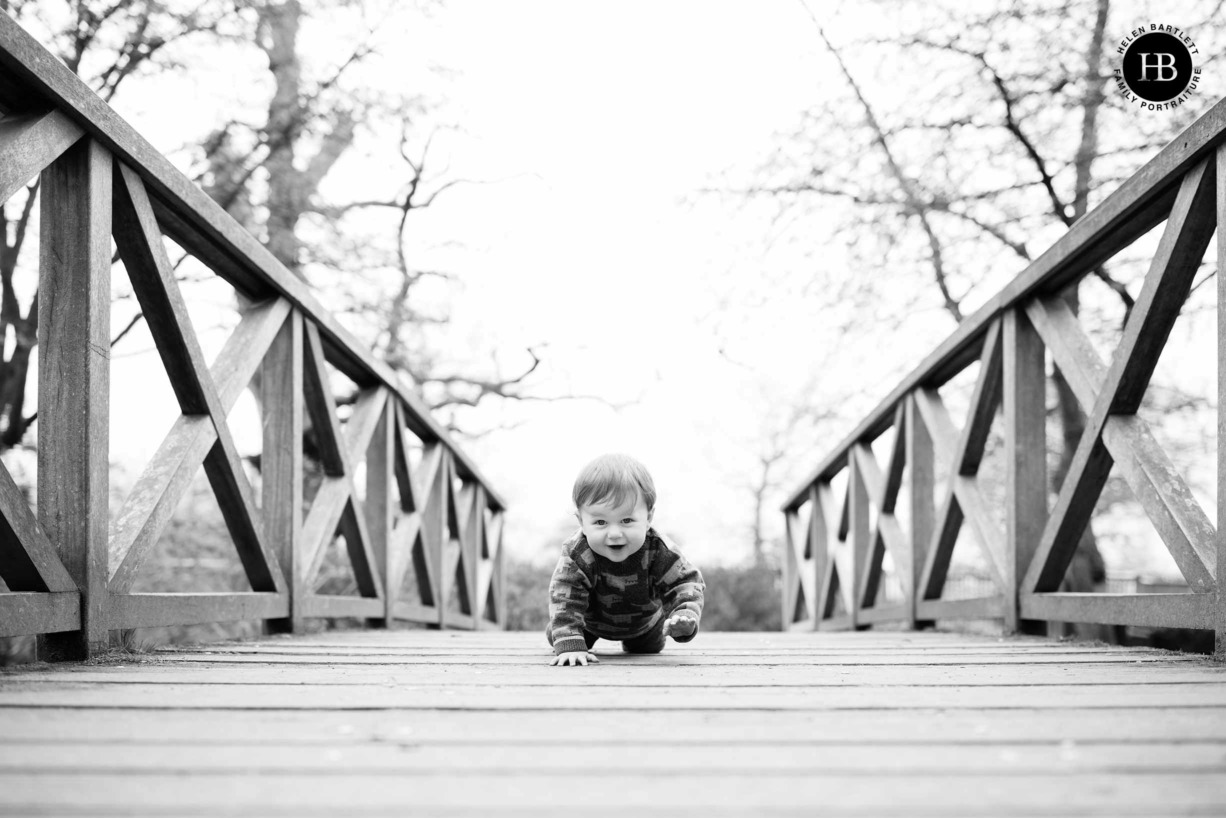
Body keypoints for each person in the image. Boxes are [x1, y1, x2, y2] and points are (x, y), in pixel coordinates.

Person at [546, 453, 705, 667]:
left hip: (645, 624)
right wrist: (570, 643)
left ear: (648, 518)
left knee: (648, 650)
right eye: (600, 522)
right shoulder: (577, 554)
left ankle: (646, 636)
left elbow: (685, 582)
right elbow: (565, 595)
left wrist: (684, 615)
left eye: (626, 520)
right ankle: (568, 635)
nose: (614, 533)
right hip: (589, 623)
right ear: (582, 522)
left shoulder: (660, 550)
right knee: (561, 638)